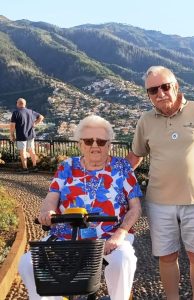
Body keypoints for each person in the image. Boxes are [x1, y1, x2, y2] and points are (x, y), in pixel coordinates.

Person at [127, 66, 194, 300]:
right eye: (153, 90)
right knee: (167, 257)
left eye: (165, 86)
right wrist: (108, 177)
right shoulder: (146, 120)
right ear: (148, 95)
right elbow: (136, 156)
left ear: (176, 86)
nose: (160, 93)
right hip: (160, 202)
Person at [18, 115, 143, 300]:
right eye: (88, 140)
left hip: (110, 235)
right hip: (66, 235)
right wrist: (47, 212)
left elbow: (135, 208)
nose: (95, 145)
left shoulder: (122, 167)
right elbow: (51, 197)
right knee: (28, 263)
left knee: (123, 261)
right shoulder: (67, 166)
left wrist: (121, 233)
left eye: (101, 141)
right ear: (80, 144)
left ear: (109, 144)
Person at [10, 98, 44, 173]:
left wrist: (12, 135)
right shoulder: (30, 111)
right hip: (30, 135)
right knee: (31, 150)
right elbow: (41, 117)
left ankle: (25, 169)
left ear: (18, 104)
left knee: (22, 152)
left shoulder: (16, 113)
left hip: (21, 135)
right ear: (24, 104)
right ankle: (35, 166)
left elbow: (12, 125)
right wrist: (35, 123)